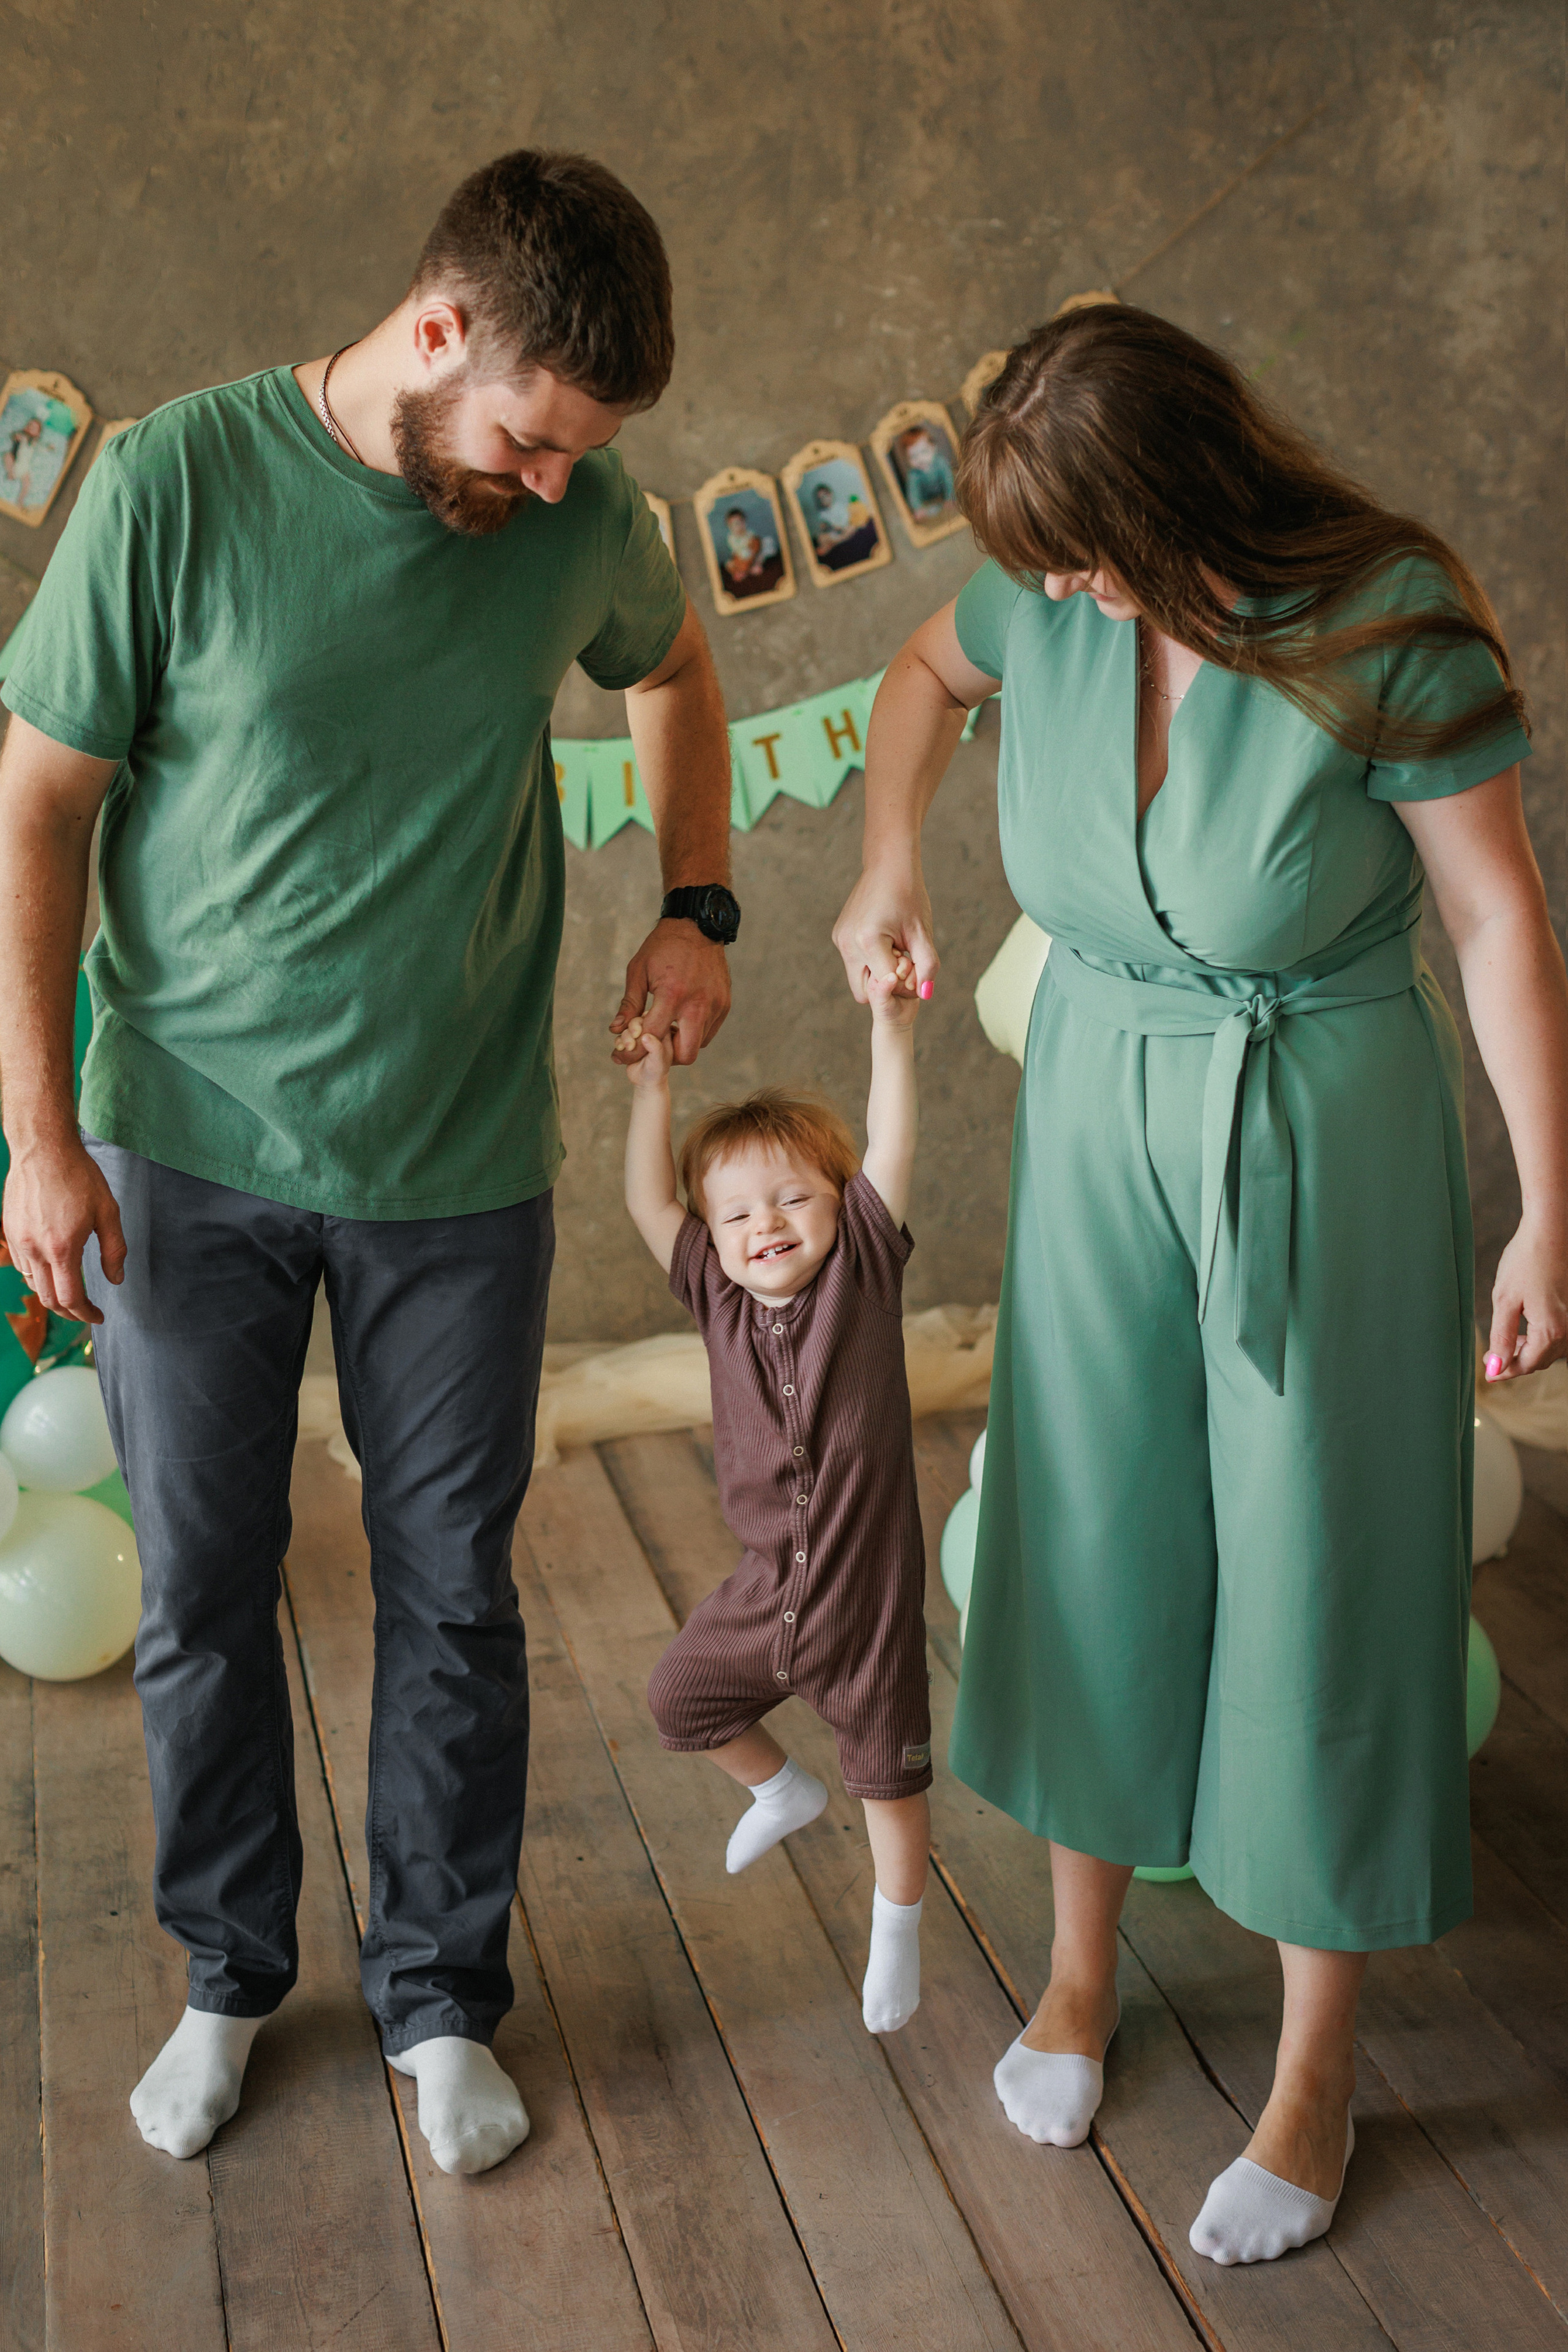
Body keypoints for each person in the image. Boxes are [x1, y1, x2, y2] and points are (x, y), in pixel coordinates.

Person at [0, 148, 742, 2178]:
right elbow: (40, 799)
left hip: (460, 1165)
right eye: (526, 436)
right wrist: (39, 1131)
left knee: (456, 1606)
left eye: (586, 456)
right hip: (185, 1150)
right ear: (433, 336)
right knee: (203, 1600)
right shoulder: (170, 486)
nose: (552, 486)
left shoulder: (570, 516)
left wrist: (705, 899)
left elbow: (673, 669)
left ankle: (436, 2002)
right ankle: (230, 1978)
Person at [833, 303, 1566, 2264]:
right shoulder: (1048, 596)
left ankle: (1317, 2057)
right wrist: (891, 852)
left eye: (1080, 549)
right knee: (1094, 1521)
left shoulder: (1383, 614)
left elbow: (1495, 919)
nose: (1054, 589)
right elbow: (916, 670)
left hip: (1316, 1113)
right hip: (1094, 1103)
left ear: (1173, 497)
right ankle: (1081, 1973)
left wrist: (1550, 1213)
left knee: (1323, 1558)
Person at [619, 960, 934, 2034]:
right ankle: (776, 1790)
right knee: (678, 1698)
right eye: (742, 1211)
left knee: (889, 1773)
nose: (769, 1224)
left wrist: (891, 1031)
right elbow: (648, 1200)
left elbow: (889, 1149)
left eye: (795, 1198)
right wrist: (651, 1091)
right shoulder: (712, 1288)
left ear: (842, 1207)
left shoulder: (865, 1274)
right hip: (764, 1588)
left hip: (865, 1590)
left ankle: (898, 1922)